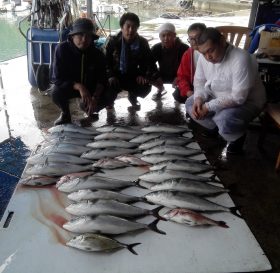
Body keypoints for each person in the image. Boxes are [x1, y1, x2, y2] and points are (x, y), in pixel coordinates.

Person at [185, 27, 266, 154]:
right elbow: (199, 82)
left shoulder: (241, 58)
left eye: (210, 50)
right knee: (190, 104)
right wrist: (199, 98)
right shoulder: (204, 57)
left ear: (222, 41)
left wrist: (208, 106)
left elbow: (238, 97)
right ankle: (217, 128)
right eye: (203, 53)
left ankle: (237, 137)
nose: (208, 57)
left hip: (247, 102)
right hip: (218, 95)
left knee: (224, 119)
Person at [51, 18, 112, 125]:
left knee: (109, 93)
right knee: (56, 92)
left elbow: (102, 79)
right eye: (80, 35)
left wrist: (95, 97)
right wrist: (79, 86)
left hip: (90, 88)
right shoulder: (61, 49)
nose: (84, 39)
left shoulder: (98, 54)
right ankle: (65, 114)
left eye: (88, 36)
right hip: (71, 87)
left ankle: (91, 110)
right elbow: (57, 78)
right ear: (72, 36)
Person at [105, 12, 158, 110]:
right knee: (108, 85)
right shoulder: (113, 42)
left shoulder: (142, 43)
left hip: (133, 75)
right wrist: (110, 75)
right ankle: (110, 101)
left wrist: (143, 75)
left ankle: (132, 96)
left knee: (145, 86)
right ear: (122, 27)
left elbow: (149, 63)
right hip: (116, 74)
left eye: (134, 27)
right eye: (128, 26)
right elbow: (105, 62)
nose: (130, 30)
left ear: (137, 28)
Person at [151, 22, 188, 100]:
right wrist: (157, 76)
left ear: (174, 35)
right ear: (159, 36)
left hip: (178, 75)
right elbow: (149, 64)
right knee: (147, 74)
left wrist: (179, 77)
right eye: (163, 35)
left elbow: (187, 67)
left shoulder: (184, 48)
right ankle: (160, 88)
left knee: (185, 83)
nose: (166, 38)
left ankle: (179, 89)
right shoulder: (156, 48)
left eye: (169, 35)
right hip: (162, 74)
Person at [175, 23, 206, 104]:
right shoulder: (188, 54)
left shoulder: (211, 52)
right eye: (191, 39)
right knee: (178, 93)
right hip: (196, 85)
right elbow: (181, 76)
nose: (194, 42)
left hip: (211, 87)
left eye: (197, 38)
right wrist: (188, 91)